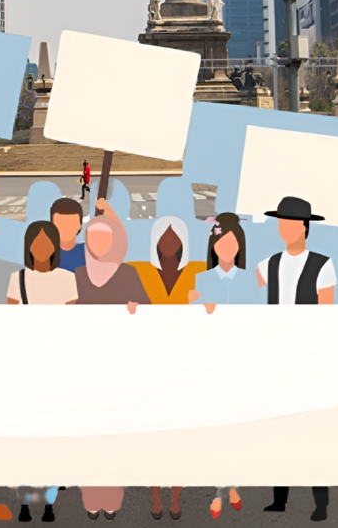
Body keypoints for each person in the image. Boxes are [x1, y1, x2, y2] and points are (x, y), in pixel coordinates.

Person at [256, 196, 334, 522]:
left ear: (305, 227)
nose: (285, 228)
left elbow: (326, 316)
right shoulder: (268, 264)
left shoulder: (322, 264)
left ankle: (321, 501)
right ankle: (280, 499)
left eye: (291, 223)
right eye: (281, 222)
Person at [73, 199, 147, 521]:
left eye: (105, 238)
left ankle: (113, 497)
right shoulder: (76, 274)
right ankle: (91, 496)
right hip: (86, 367)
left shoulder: (128, 274)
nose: (99, 244)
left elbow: (149, 314)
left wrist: (135, 310)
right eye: (93, 239)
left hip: (119, 366)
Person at [130, 216, 204, 520]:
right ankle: (156, 498)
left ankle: (175, 498)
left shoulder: (199, 271)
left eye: (175, 237)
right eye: (164, 236)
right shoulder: (139, 270)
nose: (169, 242)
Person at [188, 213, 256, 518]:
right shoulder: (201, 281)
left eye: (232, 243)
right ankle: (223, 489)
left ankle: (227, 486)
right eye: (220, 242)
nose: (226, 248)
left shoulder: (250, 280)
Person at [6, 220, 75, 522]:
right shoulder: (16, 278)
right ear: (29, 245)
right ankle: (23, 501)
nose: (43, 247)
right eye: (37, 241)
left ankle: (48, 504)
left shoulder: (66, 278)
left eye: (48, 242)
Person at [51, 198, 85, 272]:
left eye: (72, 223)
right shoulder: (45, 254)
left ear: (80, 224)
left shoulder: (89, 252)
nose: (66, 227)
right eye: (61, 223)